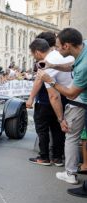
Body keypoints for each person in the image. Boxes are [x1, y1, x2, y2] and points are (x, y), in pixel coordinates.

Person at [38, 28, 87, 186]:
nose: (56, 50)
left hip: (80, 102)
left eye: (58, 46)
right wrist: (52, 65)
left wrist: (50, 79)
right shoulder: (83, 47)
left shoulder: (84, 67)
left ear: (67, 46)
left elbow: (71, 94)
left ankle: (70, 174)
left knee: (71, 137)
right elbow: (72, 66)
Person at [27, 34, 67, 167]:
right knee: (57, 129)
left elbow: (52, 94)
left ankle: (44, 157)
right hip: (64, 98)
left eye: (33, 54)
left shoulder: (46, 62)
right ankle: (57, 157)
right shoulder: (57, 55)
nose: (34, 57)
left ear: (38, 52)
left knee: (43, 128)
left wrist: (31, 98)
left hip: (48, 102)